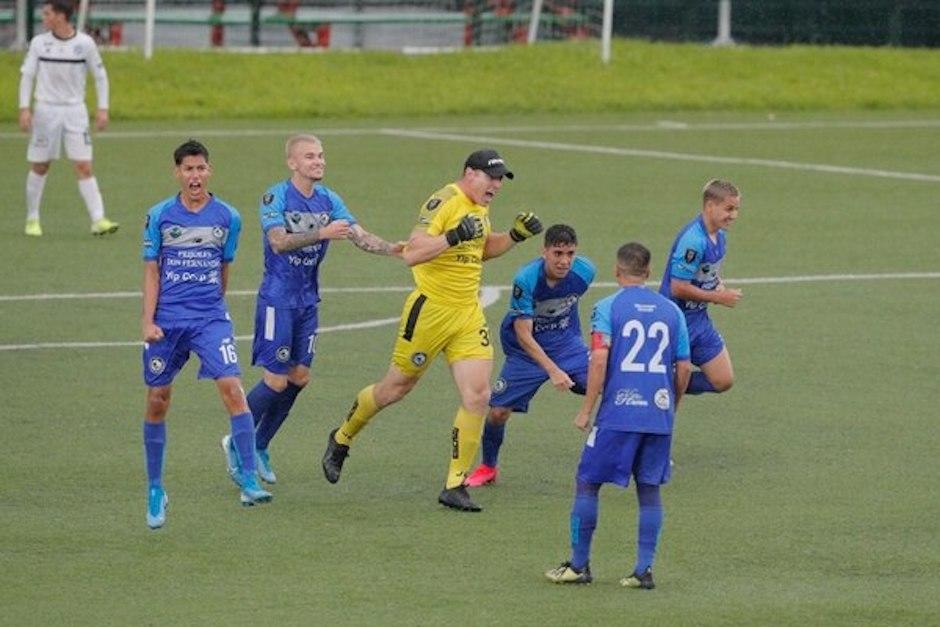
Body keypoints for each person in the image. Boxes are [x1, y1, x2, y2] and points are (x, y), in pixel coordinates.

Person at [320, 149, 543, 512]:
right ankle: (342, 437)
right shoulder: (445, 201)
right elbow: (413, 253)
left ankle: (455, 484)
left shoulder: (479, 206)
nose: (497, 185)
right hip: (430, 312)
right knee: (394, 389)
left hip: (467, 314)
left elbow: (481, 248)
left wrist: (515, 236)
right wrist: (452, 236)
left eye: (501, 179)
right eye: (492, 177)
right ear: (470, 174)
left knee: (478, 394)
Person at [221, 134, 404, 485]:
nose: (318, 161)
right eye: (310, 156)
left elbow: (358, 234)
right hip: (278, 299)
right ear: (293, 163)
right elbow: (277, 242)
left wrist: (395, 250)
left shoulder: (328, 198)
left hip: (307, 301)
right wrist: (322, 233)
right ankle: (236, 440)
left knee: (299, 377)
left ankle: (260, 444)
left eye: (320, 156)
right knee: (275, 379)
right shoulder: (275, 197)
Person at [140, 140, 271, 530]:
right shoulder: (159, 216)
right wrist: (147, 321)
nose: (195, 176)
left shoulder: (228, 217)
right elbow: (152, 271)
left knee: (233, 388)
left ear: (209, 171)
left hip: (210, 319)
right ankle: (155, 487)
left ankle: (248, 476)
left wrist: (215, 310)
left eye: (201, 169)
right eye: (188, 169)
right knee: (158, 400)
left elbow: (224, 269)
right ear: (177, 173)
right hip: (167, 321)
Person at [546, 242, 691, 588]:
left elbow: (598, 359)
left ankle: (579, 565)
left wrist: (586, 409)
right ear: (648, 271)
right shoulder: (672, 311)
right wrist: (671, 407)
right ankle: (643, 570)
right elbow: (684, 367)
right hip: (658, 415)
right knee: (650, 489)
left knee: (587, 482)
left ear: (617, 270)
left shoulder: (607, 307)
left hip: (617, 415)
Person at [465, 224, 595, 487]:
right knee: (499, 412)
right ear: (544, 251)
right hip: (525, 351)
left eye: (570, 253)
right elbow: (524, 333)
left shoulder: (585, 271)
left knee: (603, 383)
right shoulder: (526, 280)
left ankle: (633, 451)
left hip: (566, 344)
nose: (564, 261)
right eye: (557, 253)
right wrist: (553, 370)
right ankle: (488, 467)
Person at [18, 0, 119, 237]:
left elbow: (100, 76)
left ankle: (98, 219)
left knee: (84, 165)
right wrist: (24, 108)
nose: (44, 17)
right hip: (46, 111)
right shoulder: (39, 43)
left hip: (75, 112)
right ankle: (32, 218)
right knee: (40, 165)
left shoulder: (85, 44)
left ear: (61, 16)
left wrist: (103, 109)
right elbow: (27, 75)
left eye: (48, 13)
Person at [659, 179, 742, 395]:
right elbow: (677, 287)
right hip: (676, 322)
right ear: (710, 206)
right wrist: (717, 298)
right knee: (656, 385)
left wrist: (719, 286)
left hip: (699, 321)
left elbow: (708, 273)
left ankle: (666, 381)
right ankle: (660, 382)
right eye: (729, 209)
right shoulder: (693, 241)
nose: (734, 215)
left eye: (736, 209)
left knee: (723, 380)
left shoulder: (720, 236)